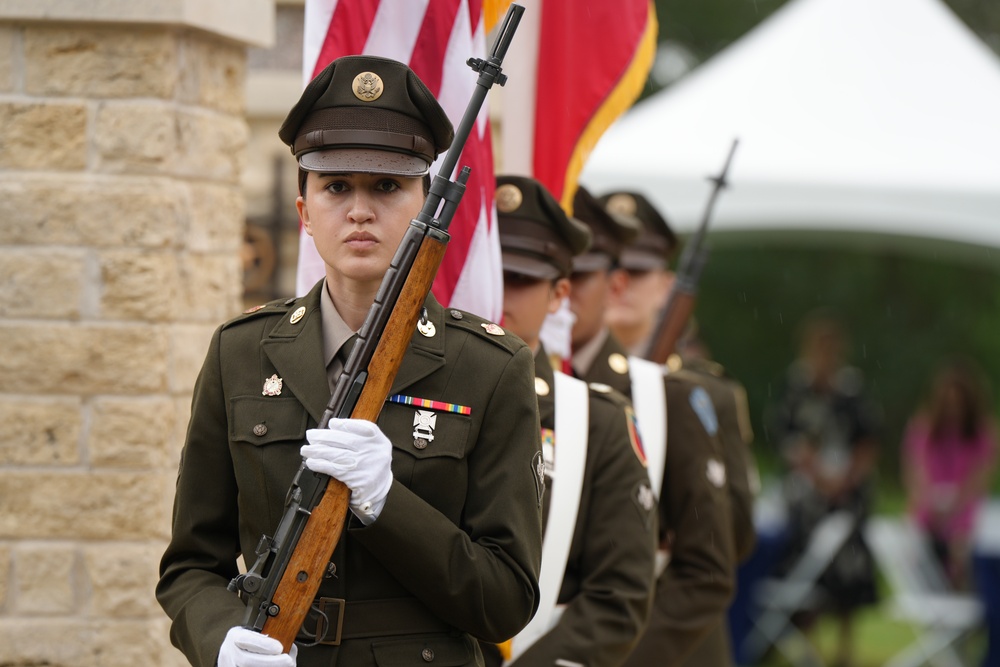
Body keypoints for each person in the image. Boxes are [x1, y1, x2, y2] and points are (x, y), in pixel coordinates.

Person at [157, 55, 544, 667]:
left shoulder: (489, 367)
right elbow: (189, 566)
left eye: (387, 186)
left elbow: (505, 599)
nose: (360, 210)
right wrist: (219, 640)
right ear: (305, 212)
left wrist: (389, 502)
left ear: (424, 204)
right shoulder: (241, 350)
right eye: (336, 187)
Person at [479, 175, 657, 667]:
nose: (498, 294)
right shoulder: (411, 401)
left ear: (559, 294)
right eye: (488, 271)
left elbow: (618, 598)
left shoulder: (595, 424)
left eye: (520, 278)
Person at [567, 185, 736, 667]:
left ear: (664, 283)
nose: (620, 283)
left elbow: (724, 542)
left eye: (636, 272)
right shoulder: (553, 379)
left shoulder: (683, 395)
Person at [769, 312, 881, 667]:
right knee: (806, 563)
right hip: (807, 493)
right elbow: (785, 439)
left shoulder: (852, 391)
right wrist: (816, 475)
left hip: (847, 492)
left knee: (848, 562)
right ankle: (806, 641)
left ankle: (844, 648)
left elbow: (869, 439)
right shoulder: (795, 388)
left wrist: (845, 479)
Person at [903, 358, 998, 589]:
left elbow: (979, 478)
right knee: (918, 543)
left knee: (962, 546)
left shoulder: (982, 434)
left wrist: (955, 506)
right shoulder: (923, 430)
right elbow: (915, 472)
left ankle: (959, 587)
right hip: (929, 510)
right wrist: (931, 501)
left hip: (966, 512)